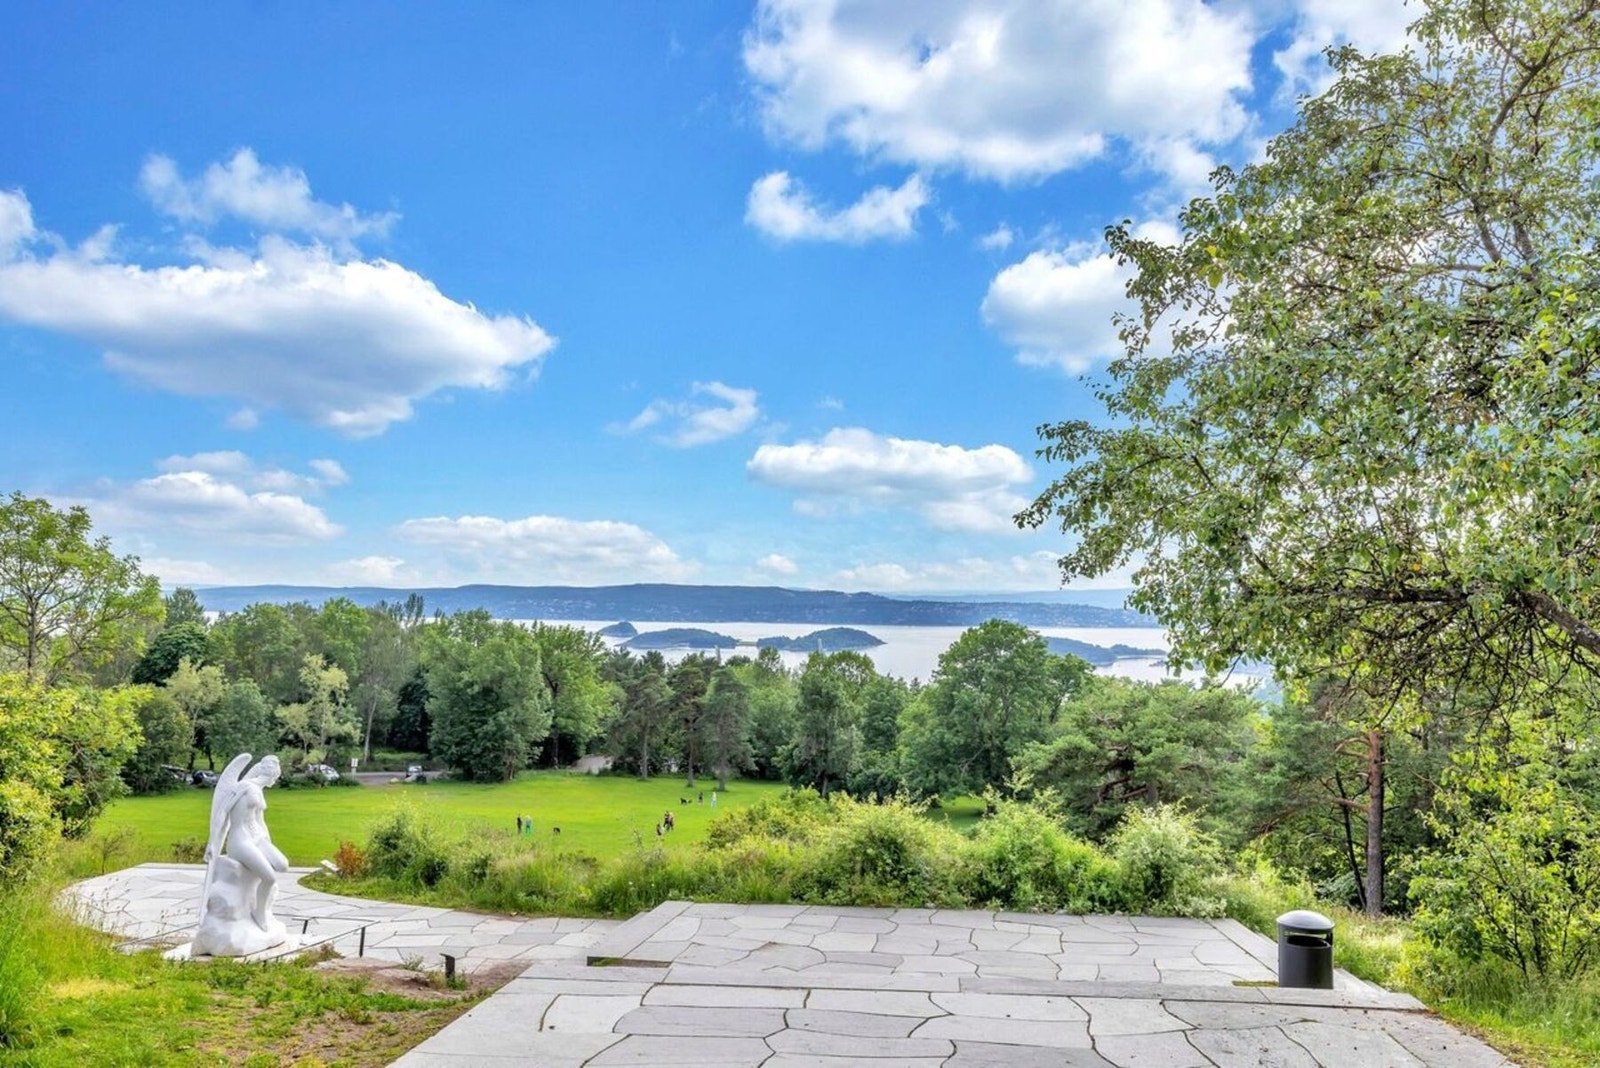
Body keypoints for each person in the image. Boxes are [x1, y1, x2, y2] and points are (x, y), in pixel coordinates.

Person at [204, 754, 290, 935]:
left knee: (282, 864)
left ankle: (263, 905)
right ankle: (259, 913)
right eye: (276, 777)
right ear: (273, 776)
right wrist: (213, 842)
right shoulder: (244, 786)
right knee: (269, 878)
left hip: (257, 838)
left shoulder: (259, 790)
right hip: (240, 840)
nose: (275, 781)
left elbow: (259, 819)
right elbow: (222, 812)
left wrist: (267, 843)